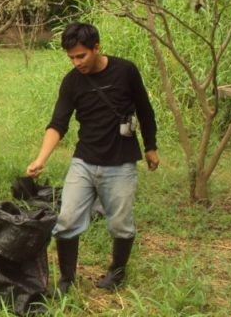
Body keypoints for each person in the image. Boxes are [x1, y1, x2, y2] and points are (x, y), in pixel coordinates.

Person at [26, 22, 159, 294]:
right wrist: (41, 159)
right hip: (84, 162)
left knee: (120, 224)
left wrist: (150, 147)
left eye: (81, 56)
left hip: (121, 163)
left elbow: (145, 109)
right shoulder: (72, 82)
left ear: (97, 47)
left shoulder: (125, 71)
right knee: (66, 221)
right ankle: (67, 279)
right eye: (71, 58)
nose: (77, 62)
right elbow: (58, 124)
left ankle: (117, 272)